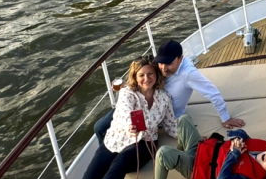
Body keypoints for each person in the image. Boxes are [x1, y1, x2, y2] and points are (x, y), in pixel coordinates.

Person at [53, 56, 179, 179]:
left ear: (156, 75)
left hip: (144, 143)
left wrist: (192, 136)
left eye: (150, 74)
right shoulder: (127, 93)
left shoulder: (164, 97)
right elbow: (125, 114)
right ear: (135, 77)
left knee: (118, 166)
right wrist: (131, 126)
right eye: (141, 75)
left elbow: (171, 125)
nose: (146, 78)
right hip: (117, 139)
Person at [95, 40, 245, 144]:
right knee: (100, 128)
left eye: (168, 64)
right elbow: (146, 78)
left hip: (162, 117)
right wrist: (128, 85)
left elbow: (212, 93)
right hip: (140, 103)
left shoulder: (189, 74)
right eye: (160, 63)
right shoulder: (160, 65)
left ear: (180, 59)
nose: (163, 68)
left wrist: (225, 117)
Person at [154, 119, 266, 179]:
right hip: (201, 148)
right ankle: (180, 153)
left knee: (163, 152)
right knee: (183, 119)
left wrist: (234, 154)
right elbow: (239, 134)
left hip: (196, 168)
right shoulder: (258, 150)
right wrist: (238, 137)